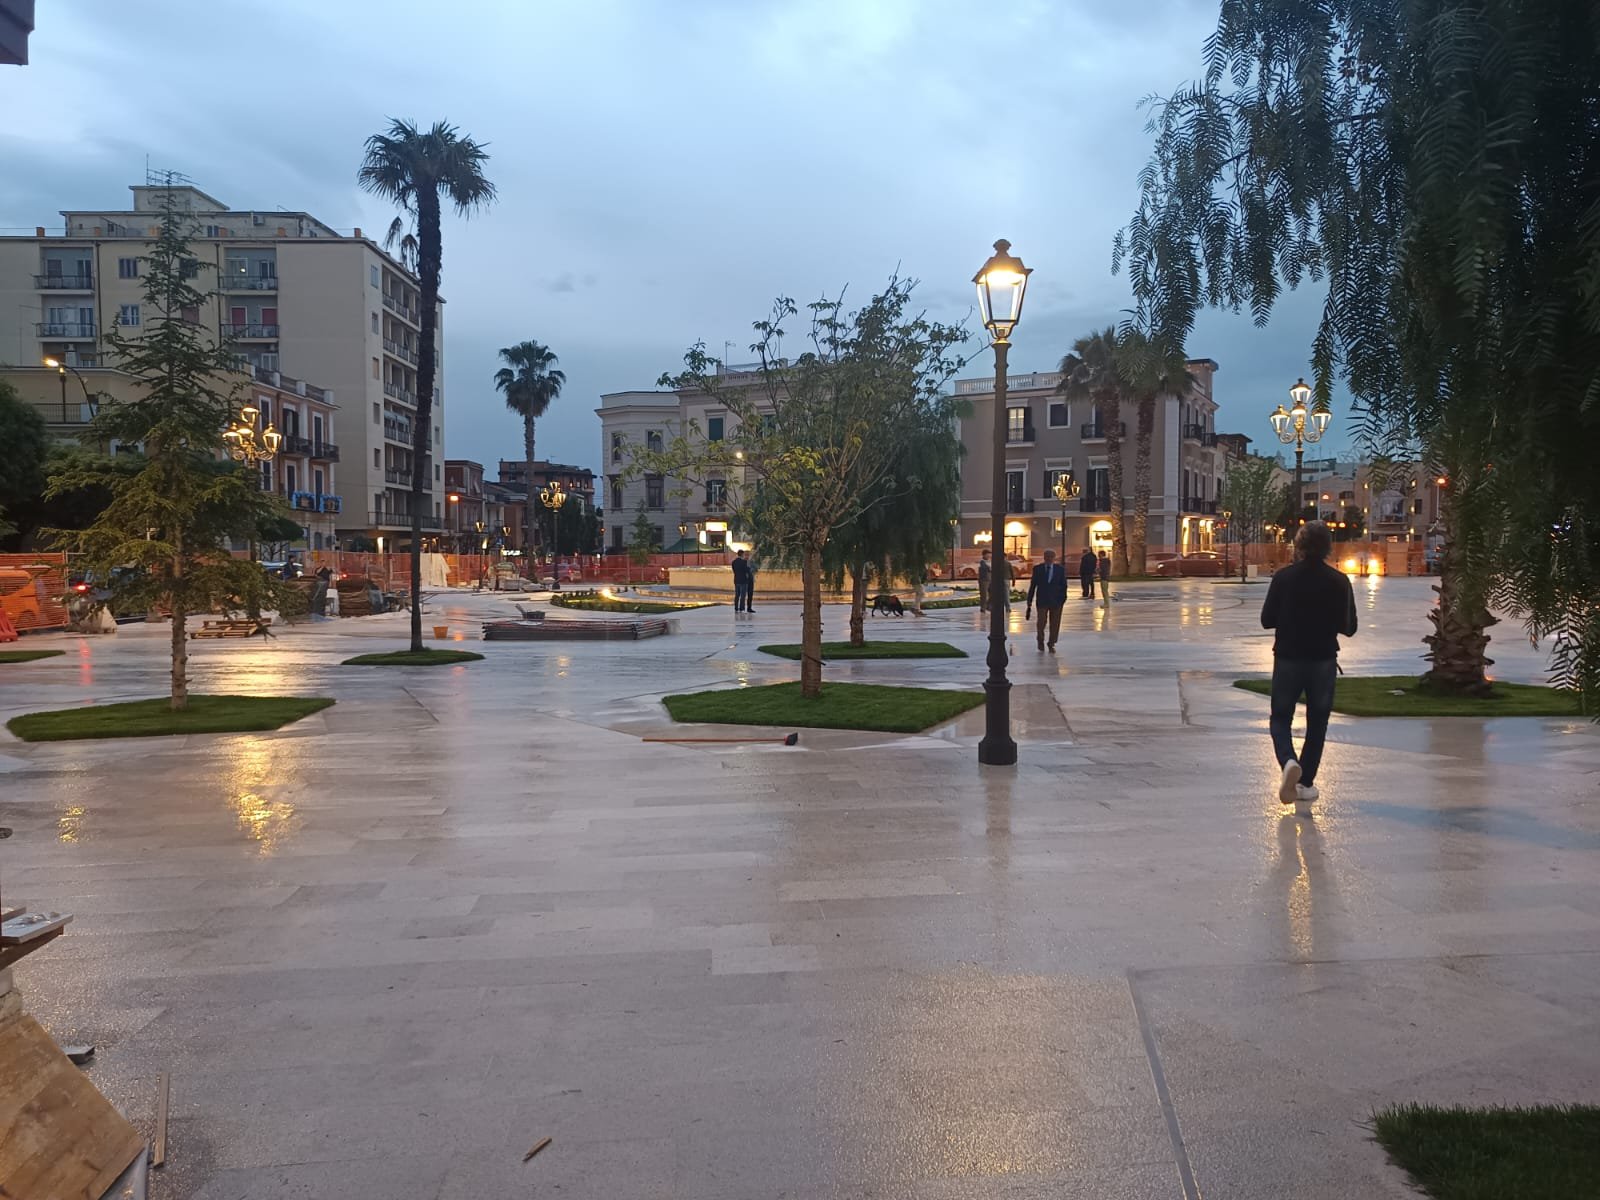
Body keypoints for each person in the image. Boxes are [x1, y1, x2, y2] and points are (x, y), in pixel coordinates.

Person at [1260, 521, 1358, 808]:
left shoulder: (1283, 578)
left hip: (1288, 656)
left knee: (1280, 717)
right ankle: (1305, 783)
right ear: (1328, 546)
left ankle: (1288, 761)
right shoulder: (1339, 581)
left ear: (1299, 545)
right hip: (1323, 659)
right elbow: (1349, 627)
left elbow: (1267, 619)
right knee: (1318, 722)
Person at [1025, 549, 1069, 652]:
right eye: (1047, 557)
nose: (1049, 559)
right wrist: (1029, 600)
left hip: (1056, 601)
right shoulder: (1038, 569)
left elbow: (1064, 585)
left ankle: (1051, 643)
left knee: (1055, 623)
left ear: (1054, 558)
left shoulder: (1060, 569)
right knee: (1041, 622)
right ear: (1044, 557)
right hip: (1042, 600)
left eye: (1051, 557)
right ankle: (1040, 640)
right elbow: (1033, 585)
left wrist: (1062, 599)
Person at [977, 548, 992, 613]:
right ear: (984, 555)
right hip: (984, 580)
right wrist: (990, 568)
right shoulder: (982, 562)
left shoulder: (990, 561)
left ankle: (988, 606)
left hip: (990, 580)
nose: (989, 556)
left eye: (989, 554)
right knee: (984, 595)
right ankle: (983, 608)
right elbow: (987, 568)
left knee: (992, 594)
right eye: (988, 554)